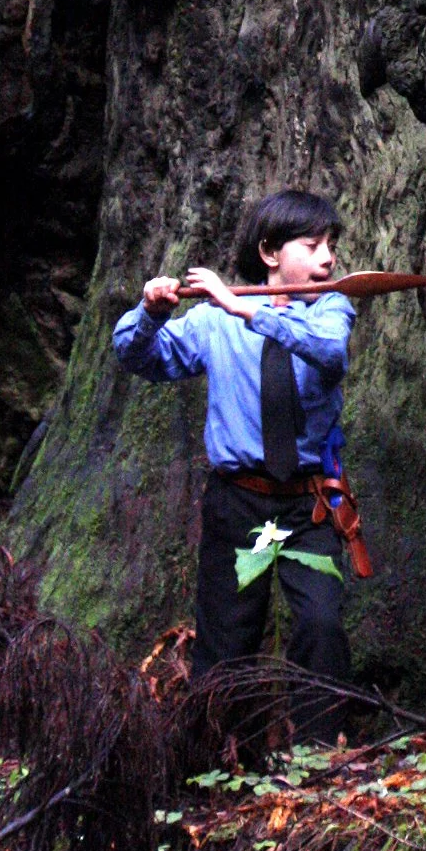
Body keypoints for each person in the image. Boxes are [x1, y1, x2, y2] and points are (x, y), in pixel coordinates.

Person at [113, 188, 362, 726]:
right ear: (271, 252)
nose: (328, 259)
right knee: (226, 639)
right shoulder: (211, 322)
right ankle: (221, 766)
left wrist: (245, 310)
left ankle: (322, 764)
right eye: (314, 245)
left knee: (321, 625)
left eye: (331, 246)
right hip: (238, 504)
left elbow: (329, 354)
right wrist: (150, 315)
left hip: (310, 505)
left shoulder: (331, 309)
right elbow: (139, 358)